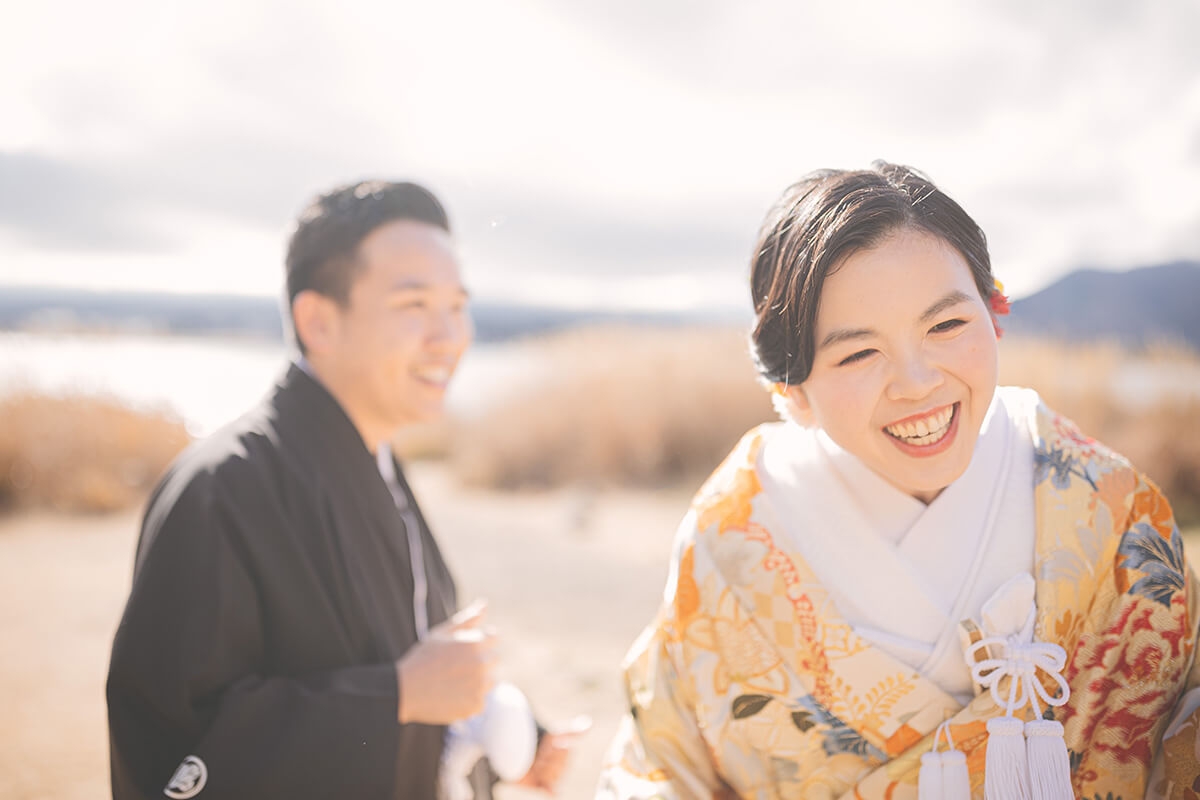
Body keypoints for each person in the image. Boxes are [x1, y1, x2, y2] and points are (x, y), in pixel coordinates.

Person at [597, 162, 1200, 799]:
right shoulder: (733, 538)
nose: (917, 383)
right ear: (790, 389)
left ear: (993, 314)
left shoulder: (1108, 507)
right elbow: (661, 769)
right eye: (858, 353)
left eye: (946, 326)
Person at [107, 180, 572, 799]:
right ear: (318, 320)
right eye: (414, 306)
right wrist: (396, 697)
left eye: (457, 306)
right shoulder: (221, 488)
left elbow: (409, 660)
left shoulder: (379, 463)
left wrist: (504, 734)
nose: (449, 336)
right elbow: (172, 750)